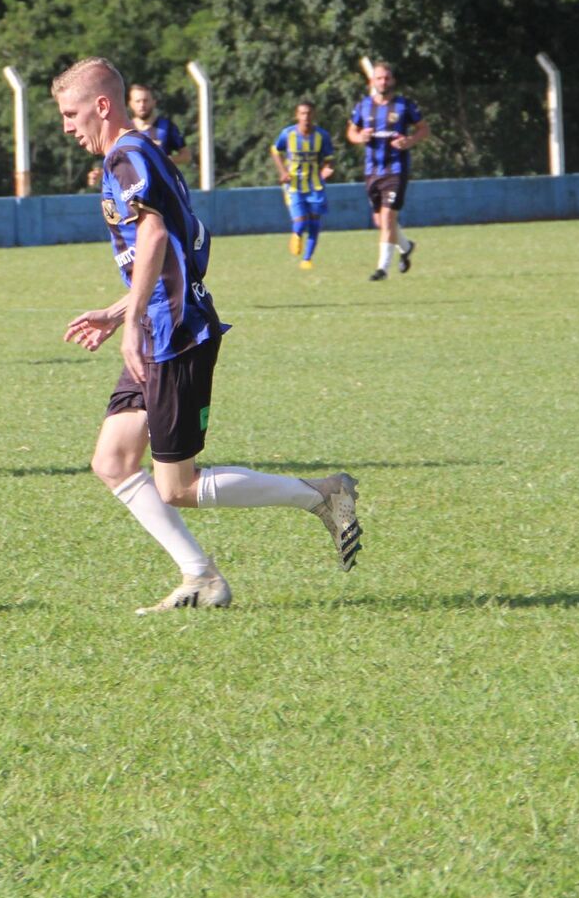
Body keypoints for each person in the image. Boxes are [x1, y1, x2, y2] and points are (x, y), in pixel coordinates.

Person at [51, 58, 362, 614]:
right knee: (113, 461)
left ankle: (322, 494)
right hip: (157, 328)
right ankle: (201, 578)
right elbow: (186, 248)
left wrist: (136, 320)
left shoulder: (126, 157)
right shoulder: (147, 156)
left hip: (173, 338)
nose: (68, 127)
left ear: (102, 106)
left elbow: (152, 234)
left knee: (177, 486)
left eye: (72, 114)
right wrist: (120, 311)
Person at [346, 59, 430, 281]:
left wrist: (409, 141)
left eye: (387, 78)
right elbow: (351, 132)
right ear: (373, 81)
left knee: (387, 217)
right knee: (381, 221)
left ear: (393, 80)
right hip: (372, 169)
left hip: (396, 169)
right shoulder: (363, 106)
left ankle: (382, 269)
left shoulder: (405, 105)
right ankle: (406, 246)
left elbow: (423, 130)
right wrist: (359, 137)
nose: (383, 82)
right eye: (379, 78)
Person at [270, 101, 336, 270]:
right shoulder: (288, 134)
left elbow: (329, 158)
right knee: (300, 222)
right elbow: (275, 150)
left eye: (309, 113)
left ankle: (307, 259)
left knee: (314, 223)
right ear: (297, 115)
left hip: (315, 186)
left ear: (314, 115)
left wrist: (328, 169)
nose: (306, 117)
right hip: (294, 186)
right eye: (302, 113)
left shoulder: (322, 136)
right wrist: (283, 172)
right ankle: (297, 233)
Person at [88, 82, 190, 189]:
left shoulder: (166, 127)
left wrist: (163, 159)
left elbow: (186, 156)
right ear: (130, 103)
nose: (142, 105)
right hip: (132, 191)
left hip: (164, 190)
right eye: (138, 101)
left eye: (145, 100)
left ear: (154, 102)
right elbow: (115, 160)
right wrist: (100, 173)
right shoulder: (122, 130)